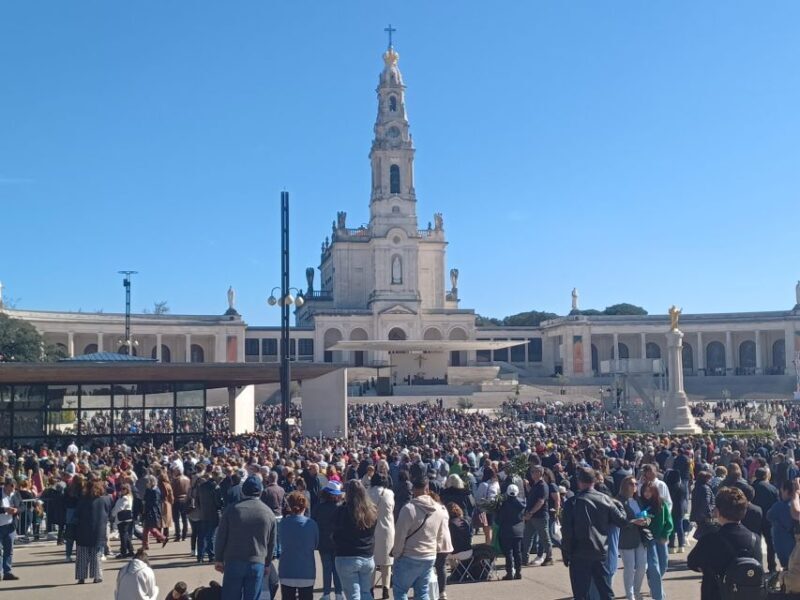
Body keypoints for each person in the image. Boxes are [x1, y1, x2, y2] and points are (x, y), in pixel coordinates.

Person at [561, 467, 628, 600]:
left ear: (579, 482)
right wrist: (619, 505)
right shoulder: (605, 499)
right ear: (594, 481)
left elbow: (567, 532)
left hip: (578, 553)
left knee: (580, 593)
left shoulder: (572, 502)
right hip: (599, 551)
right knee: (605, 590)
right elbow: (622, 521)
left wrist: (566, 552)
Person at [688, 486, 764, 600]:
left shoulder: (710, 539)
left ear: (718, 512)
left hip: (715, 594)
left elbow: (692, 562)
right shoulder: (754, 539)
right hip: (744, 594)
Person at [214, 475, 277, 600]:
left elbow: (221, 536)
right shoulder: (268, 513)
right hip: (257, 562)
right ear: (261, 491)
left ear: (243, 491)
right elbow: (272, 542)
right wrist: (268, 563)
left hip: (233, 560)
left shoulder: (231, 510)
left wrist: (218, 558)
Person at [392, 479, 448, 600]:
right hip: (429, 555)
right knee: (422, 592)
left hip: (410, 554)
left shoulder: (409, 509)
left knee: (400, 590)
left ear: (413, 490)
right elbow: (440, 534)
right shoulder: (439, 509)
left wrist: (396, 554)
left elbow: (400, 535)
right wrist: (436, 549)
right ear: (427, 489)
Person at [333, 479, 377, 600]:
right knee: (366, 593)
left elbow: (335, 532)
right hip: (367, 556)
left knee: (353, 595)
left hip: (346, 555)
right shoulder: (372, 511)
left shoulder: (342, 511)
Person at [278, 491, 318, 600]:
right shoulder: (312, 524)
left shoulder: (283, 523)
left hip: (287, 570)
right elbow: (315, 544)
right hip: (306, 571)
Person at [616, 476, 651, 600]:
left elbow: (646, 515)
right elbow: (618, 520)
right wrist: (633, 522)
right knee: (629, 568)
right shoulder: (618, 501)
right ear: (624, 485)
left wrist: (646, 520)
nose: (634, 486)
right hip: (626, 538)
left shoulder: (638, 500)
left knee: (642, 567)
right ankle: (630, 595)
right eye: (631, 484)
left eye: (636, 484)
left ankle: (636, 591)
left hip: (641, 537)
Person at [75, 478, 113, 584]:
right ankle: (97, 576)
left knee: (82, 555)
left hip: (83, 529)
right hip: (99, 530)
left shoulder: (82, 500)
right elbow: (109, 513)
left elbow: (77, 514)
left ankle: (81, 577)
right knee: (96, 555)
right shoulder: (106, 499)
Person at [312, 482, 344, 600]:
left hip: (323, 542)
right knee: (337, 570)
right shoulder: (341, 508)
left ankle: (326, 594)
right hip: (337, 543)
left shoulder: (319, 507)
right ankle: (339, 593)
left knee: (326, 568)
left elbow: (313, 522)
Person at [641, 480, 673, 597]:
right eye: (645, 491)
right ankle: (658, 596)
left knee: (663, 565)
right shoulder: (641, 504)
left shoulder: (662, 503)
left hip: (661, 538)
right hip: (649, 539)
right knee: (654, 566)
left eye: (649, 491)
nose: (647, 494)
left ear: (654, 491)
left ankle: (652, 580)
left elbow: (669, 521)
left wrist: (665, 535)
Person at [368, 473, 395, 600]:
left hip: (371, 530)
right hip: (387, 529)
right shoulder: (389, 493)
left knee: (371, 562)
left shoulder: (367, 493)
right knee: (386, 562)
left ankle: (370, 589)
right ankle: (385, 589)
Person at [523, 465, 554, 566]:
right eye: (531, 471)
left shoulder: (543, 486)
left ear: (540, 473)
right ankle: (524, 559)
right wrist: (527, 485)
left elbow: (540, 501)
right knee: (527, 537)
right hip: (532, 516)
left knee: (544, 538)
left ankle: (549, 558)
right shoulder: (536, 485)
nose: (532, 473)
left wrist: (531, 512)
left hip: (540, 516)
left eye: (534, 471)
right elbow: (532, 493)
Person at [496, 483, 525, 580]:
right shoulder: (522, 503)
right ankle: (518, 572)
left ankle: (510, 573)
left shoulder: (504, 504)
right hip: (519, 531)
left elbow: (498, 519)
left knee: (508, 553)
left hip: (506, 531)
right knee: (518, 552)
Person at [753, 467, 779, 573]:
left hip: (755, 518)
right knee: (770, 544)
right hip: (768, 519)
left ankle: (756, 566)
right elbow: (776, 504)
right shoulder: (772, 488)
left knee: (755, 544)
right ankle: (772, 566)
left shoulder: (751, 487)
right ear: (766, 476)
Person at [767, 480, 797, 569]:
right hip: (796, 545)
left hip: (784, 545)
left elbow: (769, 516)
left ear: (786, 491)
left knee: (787, 568)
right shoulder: (797, 506)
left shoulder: (779, 506)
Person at [197, 467, 223, 563]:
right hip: (214, 513)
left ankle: (200, 555)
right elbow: (218, 503)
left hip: (204, 513)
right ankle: (211, 555)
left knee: (203, 535)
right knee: (211, 535)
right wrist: (221, 506)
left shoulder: (202, 486)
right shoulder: (215, 487)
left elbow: (197, 501)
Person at [0, 478, 21, 581]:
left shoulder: (15, 494)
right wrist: (4, 510)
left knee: (9, 550)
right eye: (9, 489)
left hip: (10, 526)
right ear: (5, 486)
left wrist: (17, 510)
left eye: (13, 489)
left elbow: (22, 506)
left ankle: (7, 572)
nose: (11, 492)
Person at [142, 475, 168, 551]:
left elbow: (155, 503)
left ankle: (163, 538)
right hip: (148, 511)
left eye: (148, 481)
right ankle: (145, 545)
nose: (147, 483)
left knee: (152, 529)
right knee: (146, 529)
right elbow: (145, 498)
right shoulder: (149, 489)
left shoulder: (156, 491)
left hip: (152, 512)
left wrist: (147, 504)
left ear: (152, 482)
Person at [664, 470, 688, 553]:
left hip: (671, 508)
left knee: (672, 528)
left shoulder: (668, 486)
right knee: (680, 527)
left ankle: (671, 546)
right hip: (680, 508)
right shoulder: (682, 486)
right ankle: (681, 545)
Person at [111, 483, 135, 558]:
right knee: (125, 535)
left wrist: (113, 514)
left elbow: (119, 508)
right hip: (124, 518)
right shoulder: (125, 497)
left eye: (124, 489)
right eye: (121, 489)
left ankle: (123, 552)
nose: (122, 490)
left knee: (123, 535)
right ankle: (130, 550)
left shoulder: (125, 498)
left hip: (123, 518)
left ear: (127, 490)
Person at [171, 467, 191, 543]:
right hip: (185, 499)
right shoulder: (187, 479)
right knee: (184, 518)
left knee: (176, 519)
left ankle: (178, 536)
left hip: (177, 499)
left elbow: (173, 490)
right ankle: (184, 535)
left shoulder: (176, 480)